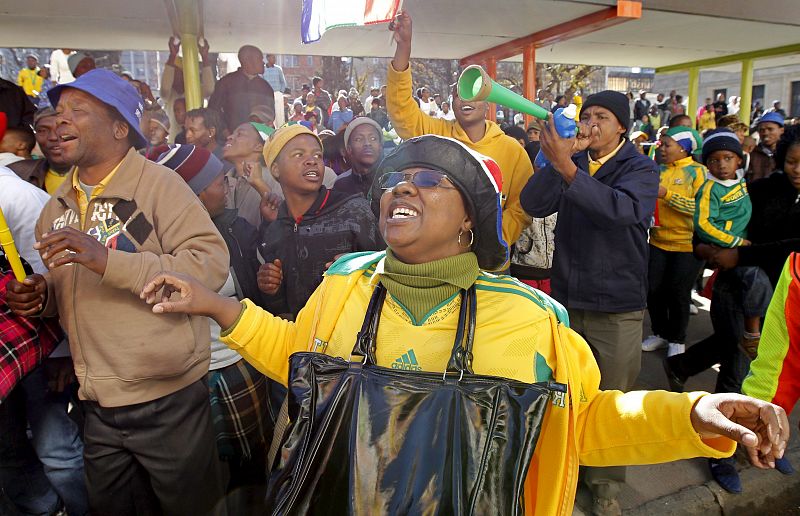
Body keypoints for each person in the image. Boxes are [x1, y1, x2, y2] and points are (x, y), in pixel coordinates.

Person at [141, 134, 789, 516]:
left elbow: (583, 422)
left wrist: (693, 414)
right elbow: (297, 355)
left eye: (430, 181)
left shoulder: (531, 319)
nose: (402, 188)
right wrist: (216, 306)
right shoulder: (346, 285)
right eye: (395, 180)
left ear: (469, 223)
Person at [3, 68, 229, 515]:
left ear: (120, 128)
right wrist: (43, 296)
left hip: (168, 399)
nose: (60, 121)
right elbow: (71, 286)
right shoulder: (55, 208)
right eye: (58, 110)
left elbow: (209, 266)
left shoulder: (160, 187)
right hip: (99, 405)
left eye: (78, 111)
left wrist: (109, 261)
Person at [520, 89, 660, 514]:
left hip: (616, 304)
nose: (589, 123)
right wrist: (552, 161)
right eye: (586, 116)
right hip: (568, 296)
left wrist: (565, 166)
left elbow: (619, 211)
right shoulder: (573, 160)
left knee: (612, 398)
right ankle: (566, 468)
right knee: (566, 392)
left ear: (622, 126)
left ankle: (605, 489)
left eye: (601, 116)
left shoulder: (641, 168)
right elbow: (532, 203)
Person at [157, 144, 275, 514]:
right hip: (188, 377)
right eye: (217, 181)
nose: (226, 187)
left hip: (238, 365)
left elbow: (253, 291)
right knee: (201, 473)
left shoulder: (234, 227)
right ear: (189, 193)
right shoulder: (157, 245)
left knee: (252, 466)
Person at [387, 10, 532, 253]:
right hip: (438, 256)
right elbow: (401, 108)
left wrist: (490, 240)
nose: (465, 99)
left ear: (488, 102)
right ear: (451, 102)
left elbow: (521, 208)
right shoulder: (435, 136)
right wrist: (404, 47)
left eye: (475, 94)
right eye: (458, 94)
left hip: (489, 266)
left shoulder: (512, 151)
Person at [0, 165, 89, 516]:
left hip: (31, 343)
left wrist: (64, 351)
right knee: (9, 451)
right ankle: (45, 509)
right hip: (14, 350)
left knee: (58, 450)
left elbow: (52, 271)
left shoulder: (15, 196)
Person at [257, 124, 383, 318]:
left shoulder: (354, 211)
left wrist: (360, 270)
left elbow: (388, 272)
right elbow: (281, 310)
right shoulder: (274, 232)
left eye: (317, 155)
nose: (312, 161)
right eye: (299, 155)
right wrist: (270, 289)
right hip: (303, 344)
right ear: (275, 169)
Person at [695, 129, 774, 357]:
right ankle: (752, 333)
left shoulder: (741, 182)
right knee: (755, 279)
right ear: (707, 164)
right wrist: (733, 241)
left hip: (742, 245)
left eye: (727, 158)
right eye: (714, 160)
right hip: (728, 248)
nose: (721, 165)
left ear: (739, 160)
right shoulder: (709, 189)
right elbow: (703, 224)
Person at [642, 127, 706, 357]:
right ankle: (660, 333)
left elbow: (700, 208)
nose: (662, 148)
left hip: (687, 245)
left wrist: (666, 194)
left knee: (678, 292)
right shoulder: (656, 170)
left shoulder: (699, 173)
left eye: (667, 144)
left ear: (683, 148)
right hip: (658, 241)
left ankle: (677, 339)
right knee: (653, 289)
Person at [161, 37, 217, 143]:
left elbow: (209, 89)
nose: (174, 75)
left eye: (177, 72)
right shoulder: (169, 94)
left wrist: (205, 57)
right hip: (173, 142)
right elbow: (164, 88)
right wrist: (172, 56)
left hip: (196, 142)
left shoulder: (195, 89)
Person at [221, 121, 276, 227]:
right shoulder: (223, 181)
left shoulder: (273, 180)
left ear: (259, 147)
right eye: (233, 133)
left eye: (240, 134)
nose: (229, 137)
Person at [209, 45, 274, 133]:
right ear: (247, 61)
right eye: (260, 59)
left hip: (258, 138)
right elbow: (213, 110)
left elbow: (270, 114)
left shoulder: (265, 87)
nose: (263, 63)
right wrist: (223, 130)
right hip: (231, 137)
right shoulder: (226, 83)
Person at [8, 108, 71, 194]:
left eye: (62, 128)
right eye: (42, 130)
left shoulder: (94, 176)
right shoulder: (14, 174)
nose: (53, 137)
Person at [334, 117, 384, 198]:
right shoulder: (340, 185)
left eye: (373, 138)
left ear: (380, 146)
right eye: (358, 139)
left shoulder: (392, 180)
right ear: (349, 149)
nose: (367, 143)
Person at [747, 111, 784, 182]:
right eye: (762, 130)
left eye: (770, 129)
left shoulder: (787, 154)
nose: (765, 133)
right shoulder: (751, 154)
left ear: (781, 130)